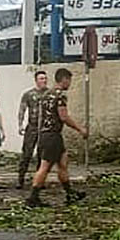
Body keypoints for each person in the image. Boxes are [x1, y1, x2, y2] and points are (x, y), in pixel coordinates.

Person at [26, 68, 88, 207]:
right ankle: (33, 197)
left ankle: (69, 192)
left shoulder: (46, 94)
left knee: (62, 162)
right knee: (45, 167)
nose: (70, 83)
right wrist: (80, 129)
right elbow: (64, 117)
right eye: (69, 80)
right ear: (64, 79)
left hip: (45, 134)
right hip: (52, 135)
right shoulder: (60, 96)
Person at [17, 70, 49, 189]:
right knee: (27, 153)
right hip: (32, 127)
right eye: (41, 79)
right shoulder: (29, 94)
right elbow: (22, 109)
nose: (44, 81)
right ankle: (20, 179)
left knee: (43, 155)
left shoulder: (49, 94)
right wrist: (20, 125)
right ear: (36, 81)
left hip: (45, 128)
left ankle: (39, 181)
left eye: (45, 78)